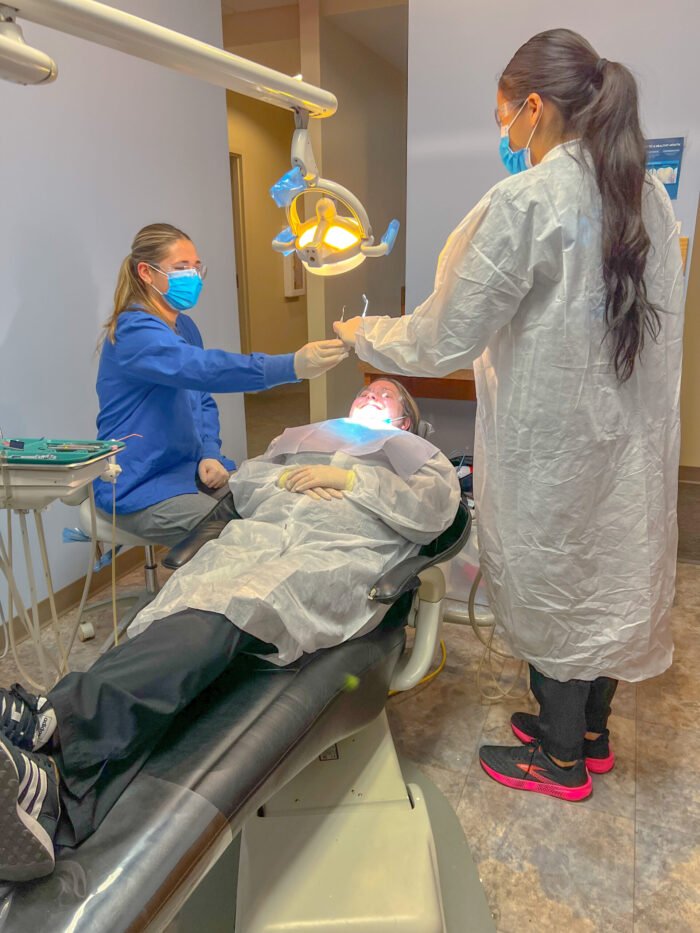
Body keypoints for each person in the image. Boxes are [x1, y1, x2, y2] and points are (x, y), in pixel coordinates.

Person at [334, 29, 684, 802]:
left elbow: (442, 333)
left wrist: (360, 333)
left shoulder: (530, 199)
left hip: (555, 446)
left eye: (504, 116)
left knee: (557, 578)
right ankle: (588, 737)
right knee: (606, 577)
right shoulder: (647, 196)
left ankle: (559, 761)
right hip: (627, 447)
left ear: (534, 106)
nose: (503, 134)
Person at [0, 380, 460, 881]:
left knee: (222, 614)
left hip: (335, 553)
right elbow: (246, 485)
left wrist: (354, 483)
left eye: (385, 395)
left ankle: (51, 719)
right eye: (366, 390)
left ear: (406, 420)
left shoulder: (419, 456)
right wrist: (285, 481)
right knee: (181, 615)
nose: (371, 396)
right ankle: (53, 798)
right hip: (256, 540)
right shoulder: (307, 438)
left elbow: (437, 510)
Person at [95, 222, 348, 547]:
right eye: (181, 268)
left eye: (197, 267)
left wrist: (210, 453)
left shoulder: (183, 326)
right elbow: (202, 370)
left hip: (190, 470)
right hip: (140, 483)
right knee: (243, 539)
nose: (193, 277)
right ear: (146, 272)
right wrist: (291, 365)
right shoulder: (135, 332)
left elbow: (200, 399)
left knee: (279, 506)